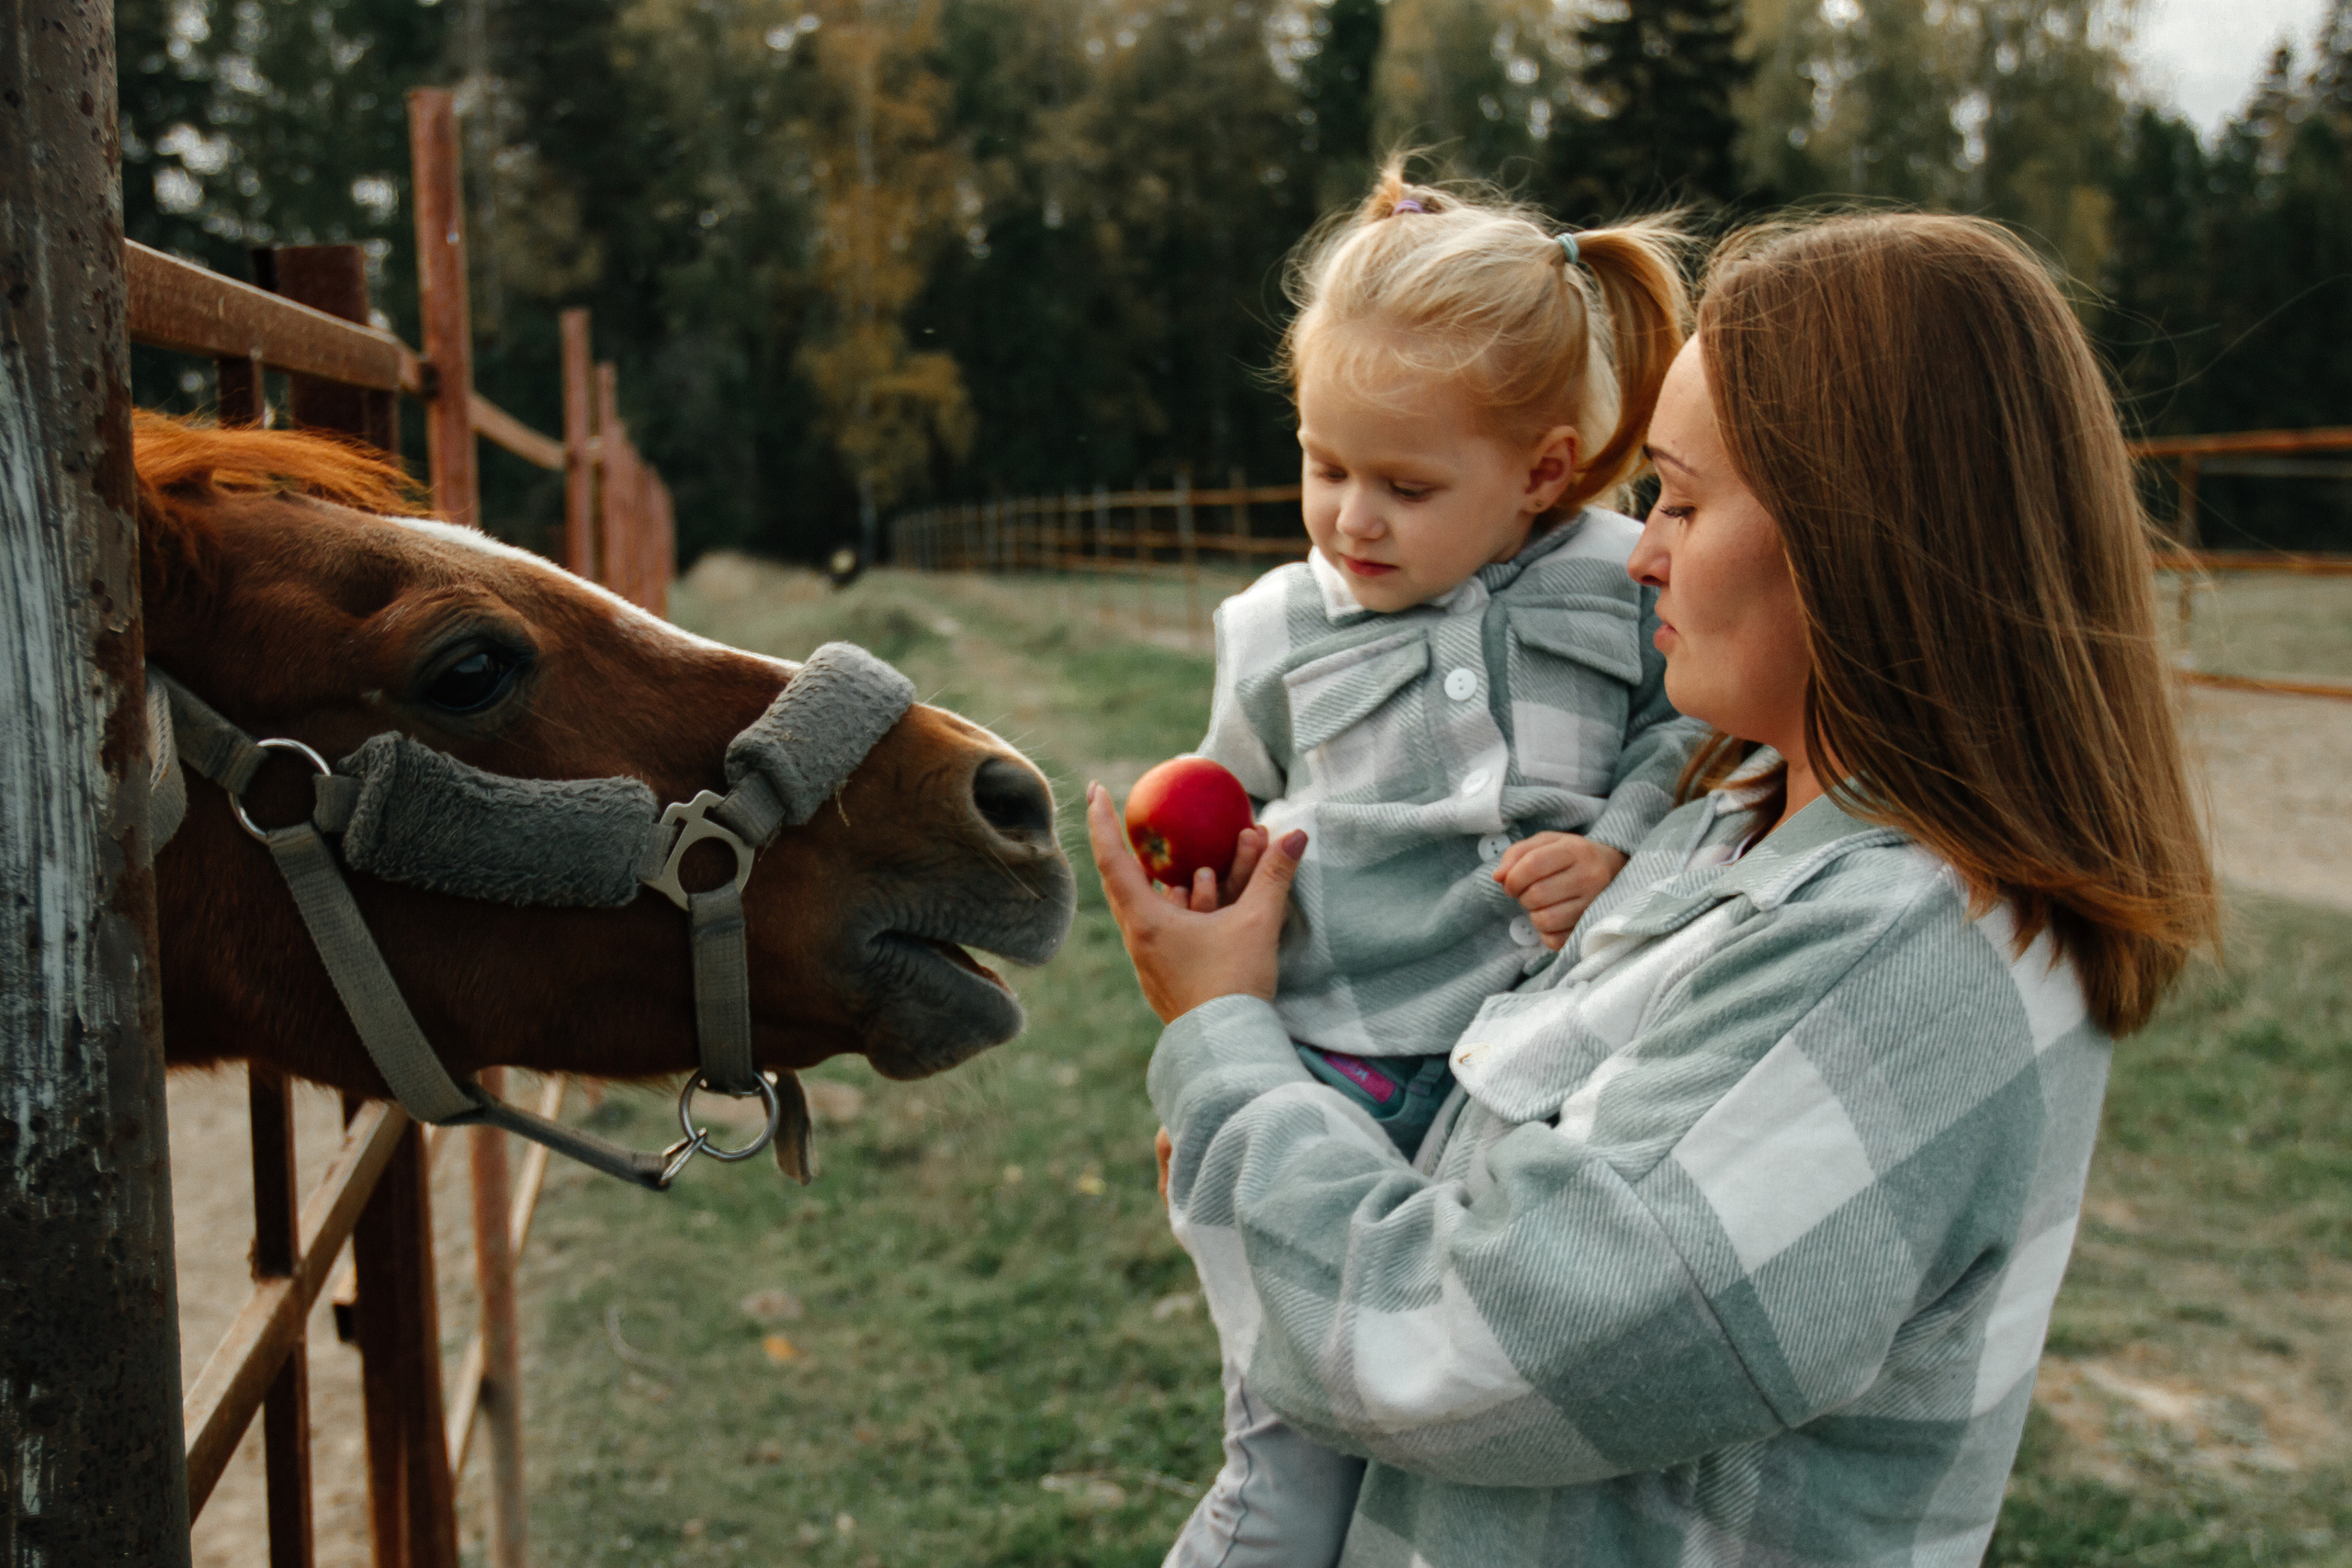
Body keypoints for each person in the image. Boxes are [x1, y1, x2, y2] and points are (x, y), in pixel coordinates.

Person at [1090, 211, 2217, 1568]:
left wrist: (1226, 1054)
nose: (1638, 555)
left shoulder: (1897, 955)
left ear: (1855, 537)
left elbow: (1456, 1346)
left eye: (1679, 499)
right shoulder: (1726, 821)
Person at [1158, 164, 1707, 1566]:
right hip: (1335, 1074)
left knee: (1472, 1451)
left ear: (1540, 469)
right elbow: (1238, 805)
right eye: (1322, 465)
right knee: (1289, 1469)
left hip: (1536, 1084)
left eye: (1404, 484)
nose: (1350, 519)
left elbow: (1678, 734)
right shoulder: (1275, 628)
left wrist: (1615, 844)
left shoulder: (1619, 577)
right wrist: (1230, 1046)